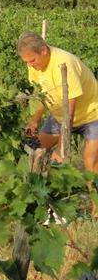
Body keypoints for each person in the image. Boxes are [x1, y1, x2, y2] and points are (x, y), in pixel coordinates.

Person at [19, 31, 98, 173]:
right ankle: (40, 188)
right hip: (60, 114)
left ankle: (94, 194)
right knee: (35, 149)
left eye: (32, 60)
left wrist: (61, 146)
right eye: (26, 62)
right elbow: (43, 95)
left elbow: (70, 110)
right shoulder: (34, 65)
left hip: (92, 115)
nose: (30, 65)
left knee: (90, 163)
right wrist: (34, 120)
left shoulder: (64, 64)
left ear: (43, 50)